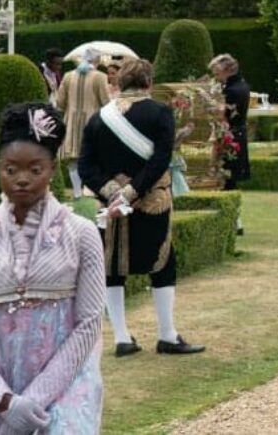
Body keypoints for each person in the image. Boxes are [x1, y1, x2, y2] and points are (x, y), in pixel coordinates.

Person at [0, 103, 105, 432]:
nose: (22, 180)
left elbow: (88, 325)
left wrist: (35, 399)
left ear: (52, 169)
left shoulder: (82, 234)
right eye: (11, 170)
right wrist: (4, 400)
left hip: (65, 387)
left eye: (35, 169)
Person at [76, 57, 204, 358]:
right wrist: (132, 192)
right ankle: (167, 335)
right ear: (148, 82)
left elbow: (85, 165)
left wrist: (112, 192)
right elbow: (160, 159)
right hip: (149, 201)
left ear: (119, 82)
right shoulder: (160, 113)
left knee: (112, 267)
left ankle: (122, 337)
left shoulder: (98, 118)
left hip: (108, 205)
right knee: (162, 264)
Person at [54, 49, 109, 199]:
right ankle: (90, 192)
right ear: (96, 61)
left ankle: (78, 193)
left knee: (73, 160)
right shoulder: (100, 77)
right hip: (93, 123)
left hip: (71, 123)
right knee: (93, 158)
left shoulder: (68, 76)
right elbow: (106, 103)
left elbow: (60, 103)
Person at [209, 54, 251, 235]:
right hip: (236, 134)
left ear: (227, 71)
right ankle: (235, 221)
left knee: (227, 179)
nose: (215, 76)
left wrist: (209, 103)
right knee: (229, 180)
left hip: (231, 137)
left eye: (217, 72)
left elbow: (224, 115)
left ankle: (234, 222)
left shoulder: (234, 90)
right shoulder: (239, 85)